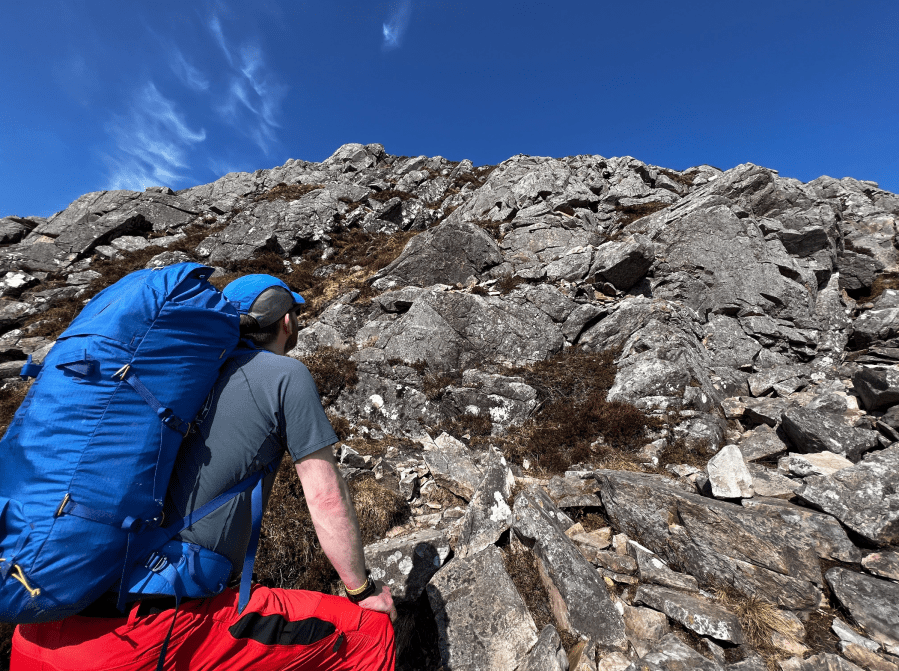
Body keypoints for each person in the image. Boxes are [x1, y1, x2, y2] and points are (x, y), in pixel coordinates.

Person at [12, 274, 397, 671]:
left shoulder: (173, 373)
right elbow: (326, 497)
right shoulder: (284, 375)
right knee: (369, 634)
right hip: (142, 634)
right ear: (286, 321)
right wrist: (361, 590)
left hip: (42, 620)